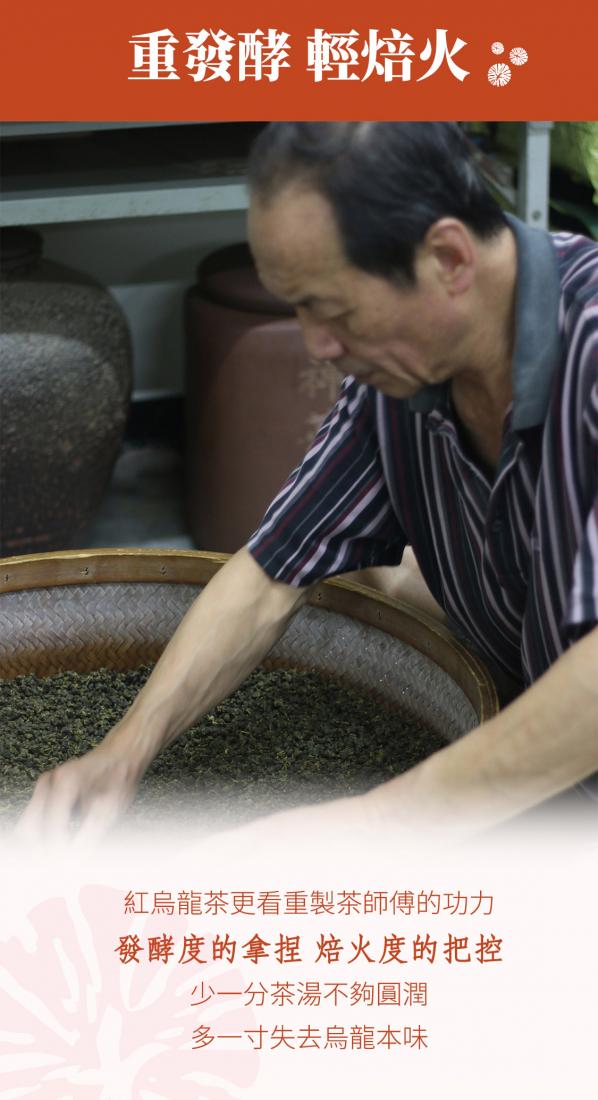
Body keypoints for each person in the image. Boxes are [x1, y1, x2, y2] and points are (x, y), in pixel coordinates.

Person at [19, 122, 598, 844]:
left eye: (335, 310)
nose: (318, 346)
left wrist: (365, 826)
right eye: (298, 307)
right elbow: (272, 571)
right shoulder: (395, 377)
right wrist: (123, 751)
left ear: (448, 258)